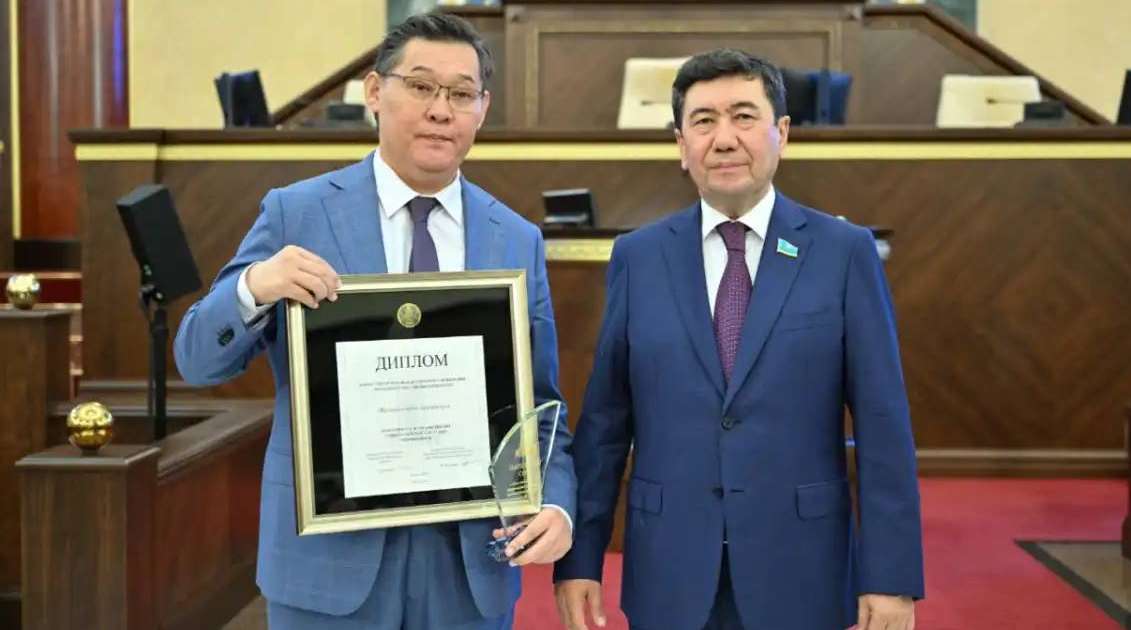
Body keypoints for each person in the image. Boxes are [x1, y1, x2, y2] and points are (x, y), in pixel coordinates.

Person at [173, 13, 575, 630]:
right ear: (373, 93)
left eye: (461, 94)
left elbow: (541, 406)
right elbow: (197, 359)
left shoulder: (514, 239)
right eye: (419, 86)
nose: (441, 110)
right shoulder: (296, 214)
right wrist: (254, 288)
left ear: (482, 110)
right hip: (328, 570)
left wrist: (558, 505)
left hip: (467, 572)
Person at [553, 49, 924, 630]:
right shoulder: (639, 257)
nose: (723, 138)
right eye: (703, 121)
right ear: (681, 144)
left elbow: (883, 427)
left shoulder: (843, 254)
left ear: (781, 133)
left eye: (744, 117)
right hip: (669, 569)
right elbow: (604, 424)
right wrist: (581, 560)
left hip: (800, 567)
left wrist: (891, 576)